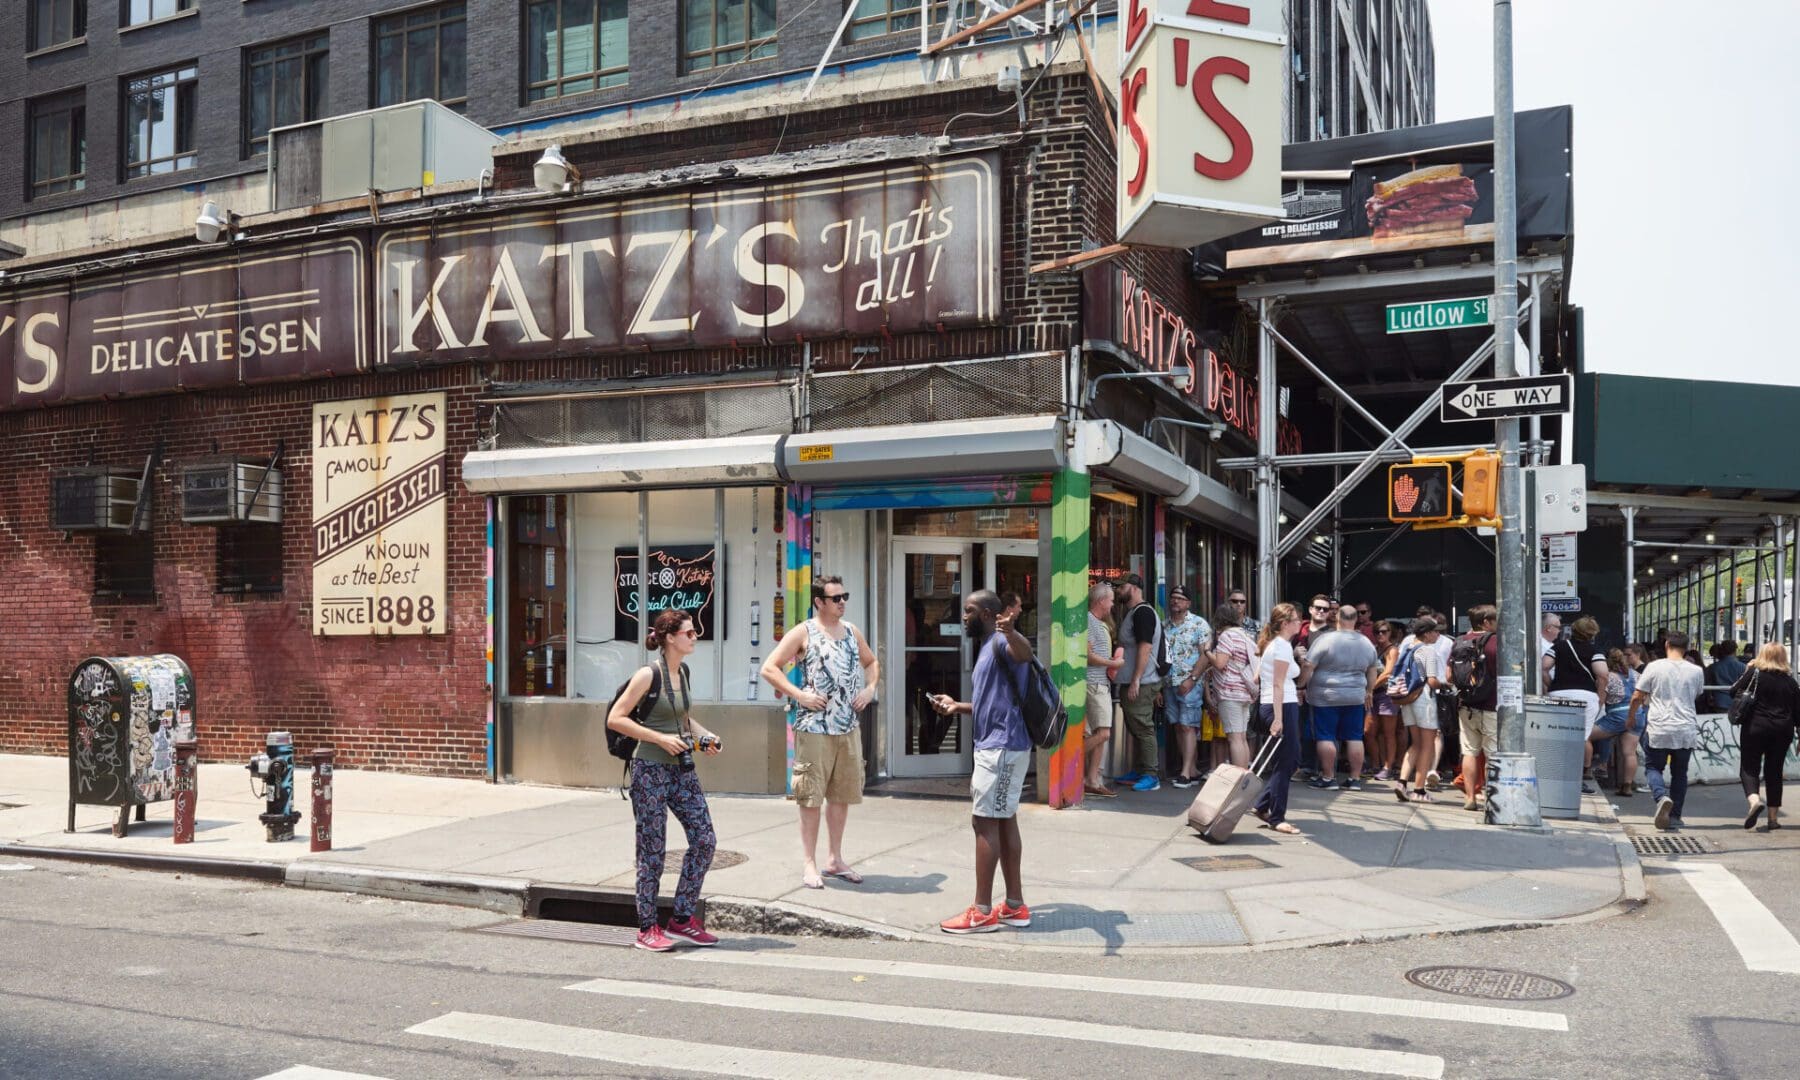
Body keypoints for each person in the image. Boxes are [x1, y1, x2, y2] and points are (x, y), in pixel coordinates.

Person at [607, 609, 723, 952]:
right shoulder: (648, 674)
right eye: (689, 633)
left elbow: (682, 719)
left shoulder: (682, 672)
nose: (694, 637)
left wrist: (705, 737)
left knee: (705, 840)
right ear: (670, 637)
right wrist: (658, 740)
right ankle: (647, 928)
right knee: (652, 851)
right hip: (650, 769)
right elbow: (617, 718)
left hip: (680, 769)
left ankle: (682, 919)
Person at [762, 575, 880, 890]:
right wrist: (799, 695)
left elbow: (871, 662)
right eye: (836, 598)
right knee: (810, 796)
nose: (842, 602)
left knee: (842, 794)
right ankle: (809, 863)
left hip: (847, 727)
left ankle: (835, 859)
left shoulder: (853, 632)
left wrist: (869, 690)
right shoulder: (804, 632)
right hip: (814, 728)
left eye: (845, 596)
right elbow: (770, 667)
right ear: (819, 601)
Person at [930, 590, 1035, 934]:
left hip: (1002, 747)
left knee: (985, 822)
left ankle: (982, 911)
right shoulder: (988, 646)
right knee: (1003, 821)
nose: (963, 616)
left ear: (989, 614)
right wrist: (958, 706)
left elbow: (1025, 653)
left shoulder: (1002, 642)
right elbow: (993, 702)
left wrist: (1011, 631)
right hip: (997, 745)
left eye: (969, 611)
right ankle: (1015, 906)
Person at [1631, 632, 1705, 831]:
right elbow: (1697, 694)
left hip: (1658, 727)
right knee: (1680, 773)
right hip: (1685, 729)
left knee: (1653, 768)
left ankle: (1661, 796)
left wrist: (1631, 718)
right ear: (1686, 647)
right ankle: (1675, 816)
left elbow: (1638, 695)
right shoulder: (1696, 670)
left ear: (1666, 644)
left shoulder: (1654, 667)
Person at [1302, 603, 1381, 792]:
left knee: (1325, 736)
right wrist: (1369, 691)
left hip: (1325, 696)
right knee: (1354, 737)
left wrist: (1301, 684)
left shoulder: (1325, 640)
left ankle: (1329, 777)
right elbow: (1373, 670)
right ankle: (1354, 779)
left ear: (1337, 618)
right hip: (1355, 696)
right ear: (1355, 620)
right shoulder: (1365, 642)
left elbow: (1308, 666)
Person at [1251, 603, 1304, 836]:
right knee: (1286, 762)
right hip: (1281, 707)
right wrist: (1279, 718)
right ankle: (1277, 817)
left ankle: (1262, 804)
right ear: (1284, 624)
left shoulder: (1273, 645)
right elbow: (1277, 683)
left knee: (1291, 760)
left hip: (1275, 705)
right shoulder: (1281, 646)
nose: (1299, 622)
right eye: (1295, 619)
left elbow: (1257, 678)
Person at [1109, 574, 1166, 792]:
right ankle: (1142, 769)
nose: (1118, 591)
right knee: (1136, 726)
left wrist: (1136, 679)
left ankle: (1151, 775)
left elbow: (1145, 647)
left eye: (1121, 586)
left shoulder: (1142, 613)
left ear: (1133, 588)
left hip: (1143, 681)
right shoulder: (1136, 612)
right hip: (1137, 680)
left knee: (1143, 727)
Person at [1734, 644, 1800, 831]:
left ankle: (1755, 801)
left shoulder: (1755, 674)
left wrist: (1748, 669)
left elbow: (1733, 692)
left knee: (1749, 767)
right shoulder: (1791, 682)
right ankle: (1773, 818)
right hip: (1782, 730)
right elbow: (1798, 712)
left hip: (1755, 727)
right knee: (1775, 771)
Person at [1547, 616, 1607, 793]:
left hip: (1558, 693)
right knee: (1580, 738)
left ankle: (1555, 775)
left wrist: (1549, 684)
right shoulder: (1595, 650)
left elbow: (1544, 666)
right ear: (1593, 633)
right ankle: (1576, 779)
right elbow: (1603, 674)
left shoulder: (1559, 647)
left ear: (1573, 630)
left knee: (1558, 736)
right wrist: (1600, 697)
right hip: (1586, 696)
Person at [1163, 585, 1213, 788]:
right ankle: (1191, 769)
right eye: (1173, 597)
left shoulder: (1199, 624)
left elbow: (1205, 655)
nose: (1176, 601)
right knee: (1177, 725)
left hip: (1190, 683)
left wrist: (1192, 679)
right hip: (1169, 682)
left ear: (1188, 603)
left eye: (1181, 598)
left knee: (1188, 725)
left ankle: (1185, 772)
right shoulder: (1164, 625)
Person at [1394, 616, 1446, 803]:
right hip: (1424, 699)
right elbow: (1431, 680)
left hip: (1407, 698)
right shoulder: (1427, 651)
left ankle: (1401, 782)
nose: (1437, 635)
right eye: (1435, 631)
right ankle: (1419, 790)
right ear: (1426, 634)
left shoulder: (1408, 648)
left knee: (1415, 743)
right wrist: (1445, 684)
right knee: (1427, 745)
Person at [1456, 606, 1501, 812]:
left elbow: (1450, 676)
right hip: (1491, 705)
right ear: (1486, 622)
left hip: (1466, 705)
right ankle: (1492, 799)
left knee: (1469, 752)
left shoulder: (1460, 642)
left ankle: (1470, 797)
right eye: (1496, 619)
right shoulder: (1496, 642)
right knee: (1492, 753)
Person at [1083, 582, 1124, 798]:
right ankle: (1071, 758)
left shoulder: (1098, 623)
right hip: (1095, 684)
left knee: (1100, 733)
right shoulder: (1090, 622)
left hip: (1099, 683)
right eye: (1110, 600)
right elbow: (1087, 655)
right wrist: (1112, 664)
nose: (1112, 604)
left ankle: (1092, 779)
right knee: (1104, 733)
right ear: (1101, 601)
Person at [1207, 600, 1258, 769]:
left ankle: (1238, 779)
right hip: (1244, 692)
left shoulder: (1227, 636)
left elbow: (1220, 663)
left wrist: (1207, 652)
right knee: (1242, 738)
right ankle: (1243, 775)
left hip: (1230, 693)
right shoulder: (1245, 636)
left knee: (1234, 739)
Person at [1591, 646, 1644, 797]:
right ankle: (1626, 786)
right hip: (1637, 715)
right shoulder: (1637, 675)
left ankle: (1587, 769)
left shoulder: (1608, 677)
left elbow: (1601, 699)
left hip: (1617, 716)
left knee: (1585, 736)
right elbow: (1645, 697)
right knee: (1630, 753)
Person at [1370, 619, 1406, 780]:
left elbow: (1389, 672)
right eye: (1377, 631)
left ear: (1390, 632)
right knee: (1370, 731)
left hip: (1387, 694)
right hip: (1373, 694)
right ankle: (1376, 764)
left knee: (1388, 733)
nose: (1381, 634)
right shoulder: (1375, 649)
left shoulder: (1392, 650)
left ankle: (1388, 766)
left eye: (1384, 631)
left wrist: (1370, 688)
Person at [1706, 642, 1748, 712]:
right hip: (1736, 701)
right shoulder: (1743, 667)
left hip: (1719, 701)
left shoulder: (1713, 667)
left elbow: (1708, 683)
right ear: (1735, 651)